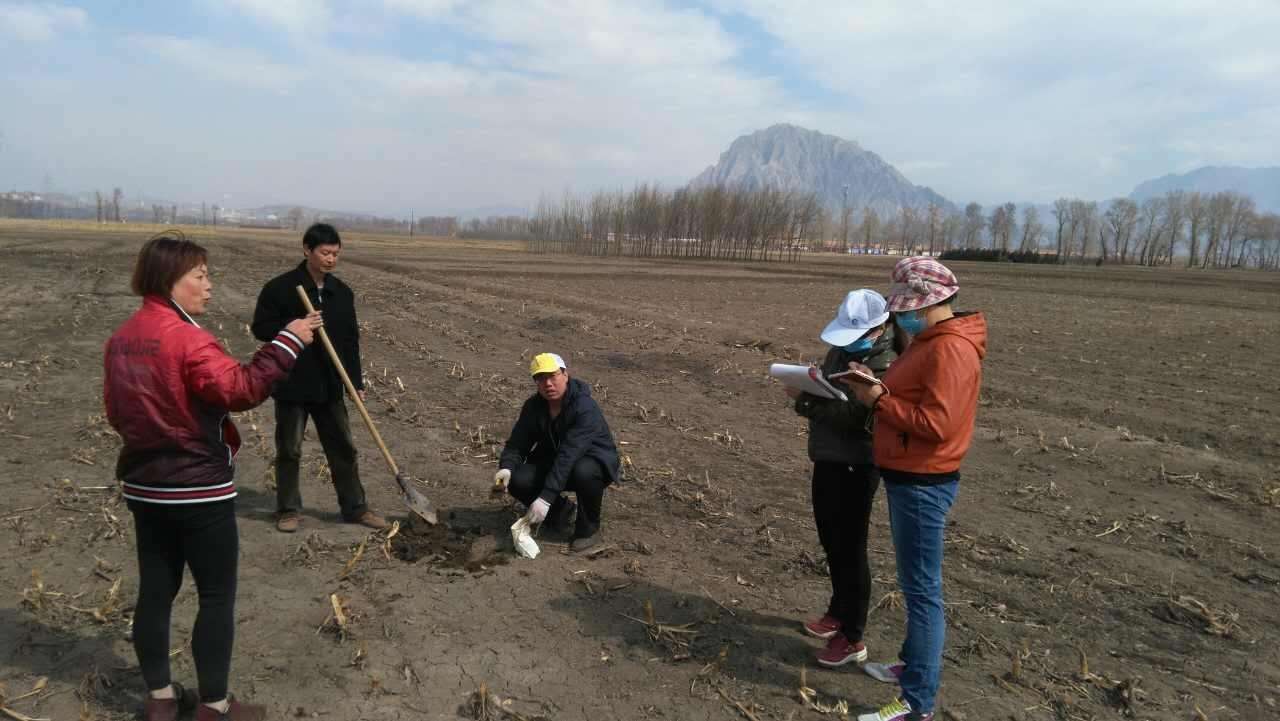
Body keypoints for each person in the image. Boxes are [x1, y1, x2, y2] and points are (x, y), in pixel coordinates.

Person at [104, 231, 322, 721]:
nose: (209, 285)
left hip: (145, 488)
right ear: (169, 282)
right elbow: (240, 390)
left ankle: (160, 700)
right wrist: (287, 341)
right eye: (200, 276)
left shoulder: (121, 340)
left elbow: (117, 413)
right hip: (198, 491)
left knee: (155, 591)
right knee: (217, 596)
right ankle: (215, 707)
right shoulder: (187, 340)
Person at [840, 257, 987, 721]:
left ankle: (916, 703)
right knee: (913, 582)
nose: (901, 316)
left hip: (924, 480)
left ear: (933, 303)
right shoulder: (928, 341)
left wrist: (879, 400)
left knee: (923, 591)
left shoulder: (949, 350)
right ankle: (909, 666)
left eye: (907, 308)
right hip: (909, 473)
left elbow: (938, 425)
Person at [786, 289, 897, 668]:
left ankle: (852, 636)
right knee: (831, 538)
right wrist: (813, 387)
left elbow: (859, 420)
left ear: (880, 328)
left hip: (858, 463)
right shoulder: (844, 352)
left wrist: (805, 400)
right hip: (829, 456)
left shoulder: (889, 361)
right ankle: (837, 610)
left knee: (851, 546)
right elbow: (836, 397)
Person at [251, 223, 386, 533]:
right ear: (307, 250)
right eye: (325, 253)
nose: (331, 259)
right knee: (290, 450)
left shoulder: (342, 293)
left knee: (342, 449)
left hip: (329, 385)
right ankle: (287, 510)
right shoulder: (281, 288)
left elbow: (350, 342)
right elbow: (260, 328)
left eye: (335, 254)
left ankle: (355, 508)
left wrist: (356, 382)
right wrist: (295, 326)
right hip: (292, 384)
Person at [493, 353, 620, 552]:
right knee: (518, 478)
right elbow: (517, 444)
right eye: (541, 379)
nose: (548, 384)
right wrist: (506, 468)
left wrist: (545, 497)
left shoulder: (584, 408)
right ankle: (560, 513)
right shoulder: (534, 407)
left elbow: (569, 456)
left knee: (583, 471)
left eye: (553, 376)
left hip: (592, 461)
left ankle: (588, 529)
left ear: (565, 375)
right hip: (556, 461)